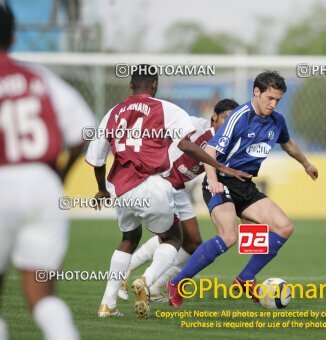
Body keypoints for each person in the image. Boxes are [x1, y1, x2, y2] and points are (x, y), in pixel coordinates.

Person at [85, 68, 250, 319]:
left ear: (131, 84)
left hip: (120, 187)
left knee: (130, 237)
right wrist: (219, 166)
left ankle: (108, 304)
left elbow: (96, 160)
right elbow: (185, 144)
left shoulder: (113, 112)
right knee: (173, 237)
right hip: (156, 183)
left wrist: (100, 190)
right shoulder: (168, 110)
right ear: (154, 85)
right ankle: (147, 281)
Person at [167, 70, 319, 307]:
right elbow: (210, 151)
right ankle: (177, 282)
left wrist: (306, 163)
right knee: (229, 236)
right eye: (269, 98)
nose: (273, 104)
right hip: (222, 181)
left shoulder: (277, 121)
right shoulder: (239, 116)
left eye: (277, 100)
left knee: (284, 227)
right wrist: (214, 179)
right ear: (256, 92)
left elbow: (288, 143)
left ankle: (245, 278)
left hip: (245, 185)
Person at [0, 2, 95, 339]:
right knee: (42, 297)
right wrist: (58, 175)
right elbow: (84, 133)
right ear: (12, 36)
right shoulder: (40, 78)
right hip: (42, 185)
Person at [117, 99, 239, 302]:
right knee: (170, 236)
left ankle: (155, 287)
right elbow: (166, 124)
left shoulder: (226, 143)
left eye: (232, 120)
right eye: (226, 117)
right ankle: (127, 274)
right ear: (214, 117)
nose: (228, 124)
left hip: (178, 186)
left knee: (193, 243)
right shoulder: (195, 125)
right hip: (161, 180)